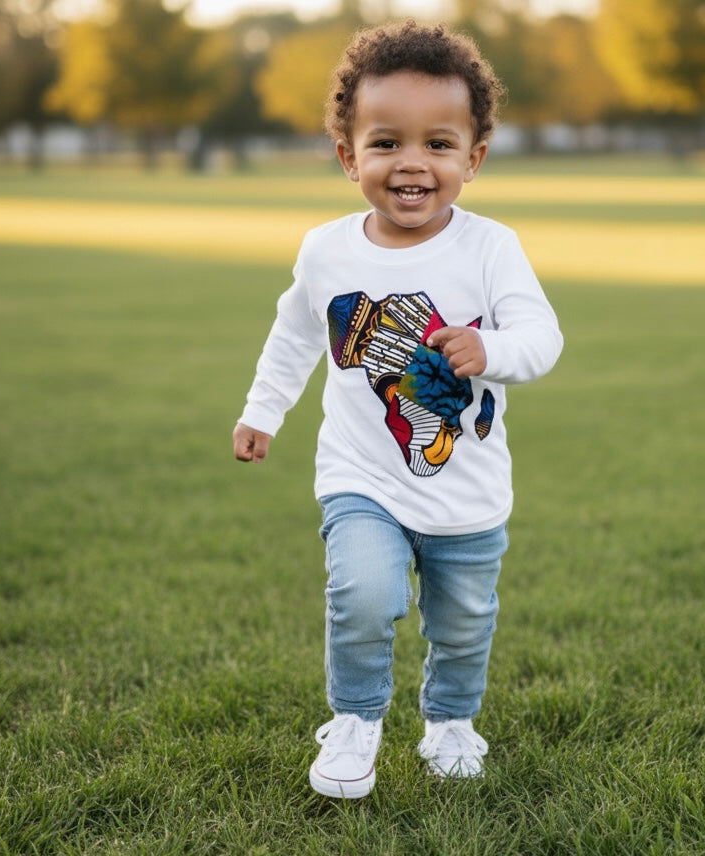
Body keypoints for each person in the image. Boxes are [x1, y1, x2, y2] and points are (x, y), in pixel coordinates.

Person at [233, 20, 563, 799]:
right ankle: (354, 721)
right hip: (361, 479)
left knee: (461, 623)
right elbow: (291, 339)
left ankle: (449, 721)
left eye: (438, 145)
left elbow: (541, 336)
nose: (412, 163)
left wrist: (492, 353)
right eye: (385, 143)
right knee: (363, 596)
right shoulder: (326, 251)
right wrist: (262, 411)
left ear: (472, 158)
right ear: (349, 156)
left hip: (466, 493)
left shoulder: (490, 248)